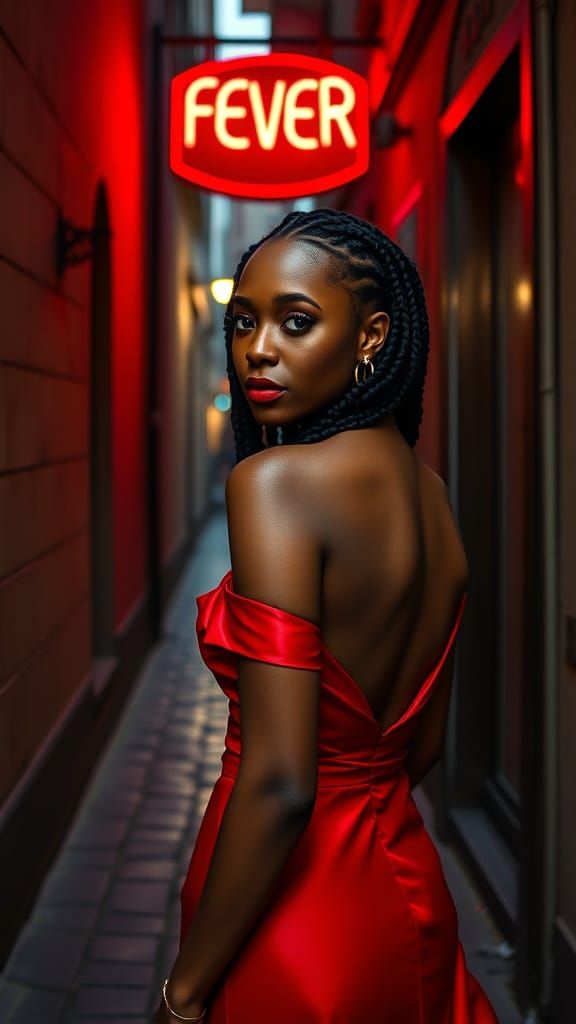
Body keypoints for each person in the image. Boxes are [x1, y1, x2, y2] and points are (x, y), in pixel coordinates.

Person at [155, 208, 499, 1022]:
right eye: (243, 322)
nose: (258, 350)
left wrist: (185, 992)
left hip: (290, 923)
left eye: (296, 320)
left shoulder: (276, 486)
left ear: (372, 336)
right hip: (405, 891)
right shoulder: (434, 497)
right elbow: (426, 744)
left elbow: (280, 784)